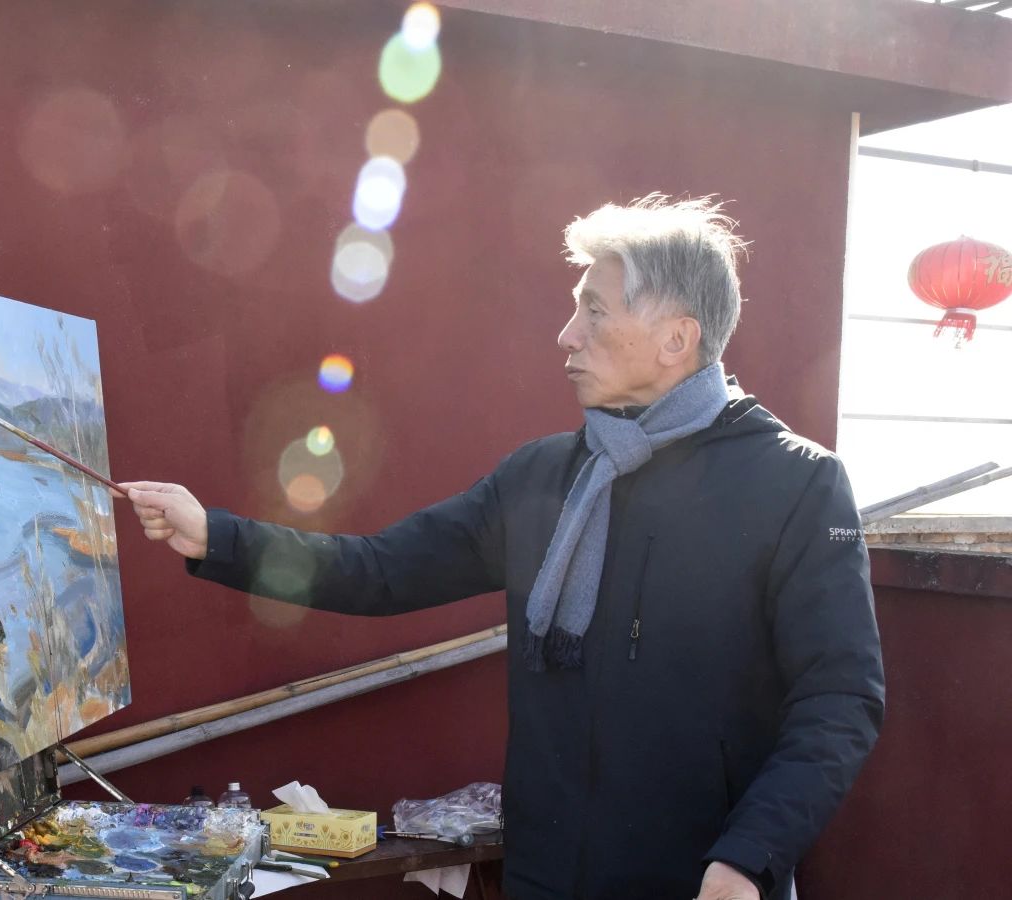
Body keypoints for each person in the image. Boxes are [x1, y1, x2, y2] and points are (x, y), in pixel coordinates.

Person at [116, 195, 885, 900]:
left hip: (702, 883)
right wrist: (217, 535)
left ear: (675, 339)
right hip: (544, 877)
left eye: (593, 310)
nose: (567, 334)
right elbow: (382, 570)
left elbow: (841, 699)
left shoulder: (798, 485)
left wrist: (749, 859)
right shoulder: (541, 477)